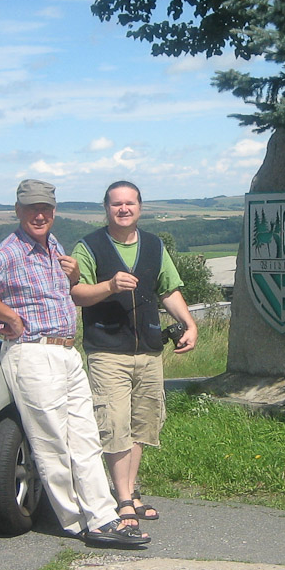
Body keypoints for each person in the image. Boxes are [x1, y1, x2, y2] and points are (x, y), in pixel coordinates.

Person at [0, 179, 149, 549]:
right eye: (31, 209)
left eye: (45, 208)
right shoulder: (9, 252)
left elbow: (66, 293)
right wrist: (10, 318)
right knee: (53, 442)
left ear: (54, 210)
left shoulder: (53, 246)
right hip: (33, 353)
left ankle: (103, 516)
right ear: (18, 211)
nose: (39, 215)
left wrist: (74, 276)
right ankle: (76, 521)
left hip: (65, 352)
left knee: (85, 438)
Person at [71, 180, 198, 526]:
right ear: (106, 208)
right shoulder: (89, 246)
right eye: (116, 204)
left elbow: (168, 290)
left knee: (142, 424)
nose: (123, 209)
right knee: (114, 424)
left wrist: (189, 324)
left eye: (130, 203)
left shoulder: (154, 245)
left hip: (149, 350)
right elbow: (77, 293)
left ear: (140, 207)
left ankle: (130, 490)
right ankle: (123, 500)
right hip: (108, 350)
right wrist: (110, 285)